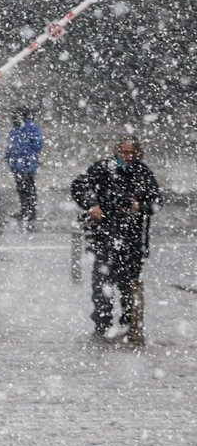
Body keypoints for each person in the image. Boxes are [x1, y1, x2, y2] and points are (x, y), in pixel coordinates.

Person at [70, 136, 161, 338]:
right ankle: (102, 326)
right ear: (117, 151)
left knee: (129, 286)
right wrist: (92, 205)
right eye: (124, 152)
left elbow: (156, 201)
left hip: (132, 240)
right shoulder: (102, 168)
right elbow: (78, 186)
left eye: (131, 153)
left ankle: (129, 325)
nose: (128, 157)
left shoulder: (143, 173)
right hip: (104, 237)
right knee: (102, 284)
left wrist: (140, 207)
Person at [4, 108, 42, 226]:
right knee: (21, 188)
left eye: (16, 116)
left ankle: (30, 211)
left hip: (26, 164)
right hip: (18, 164)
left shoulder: (30, 128)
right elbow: (11, 146)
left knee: (28, 188)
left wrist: (26, 155)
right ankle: (25, 209)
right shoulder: (15, 130)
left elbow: (37, 145)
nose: (14, 119)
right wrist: (9, 156)